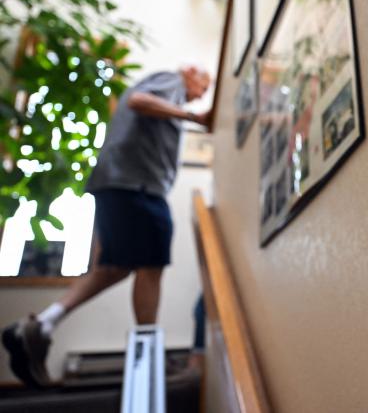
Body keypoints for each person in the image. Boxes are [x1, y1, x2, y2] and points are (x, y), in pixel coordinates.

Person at [1, 66, 211, 387]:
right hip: (137, 186)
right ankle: (147, 354)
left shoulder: (169, 89)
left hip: (116, 183)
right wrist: (194, 116)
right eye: (204, 85)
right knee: (150, 265)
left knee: (113, 267)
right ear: (191, 73)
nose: (202, 94)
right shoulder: (173, 82)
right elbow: (139, 101)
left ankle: (41, 325)